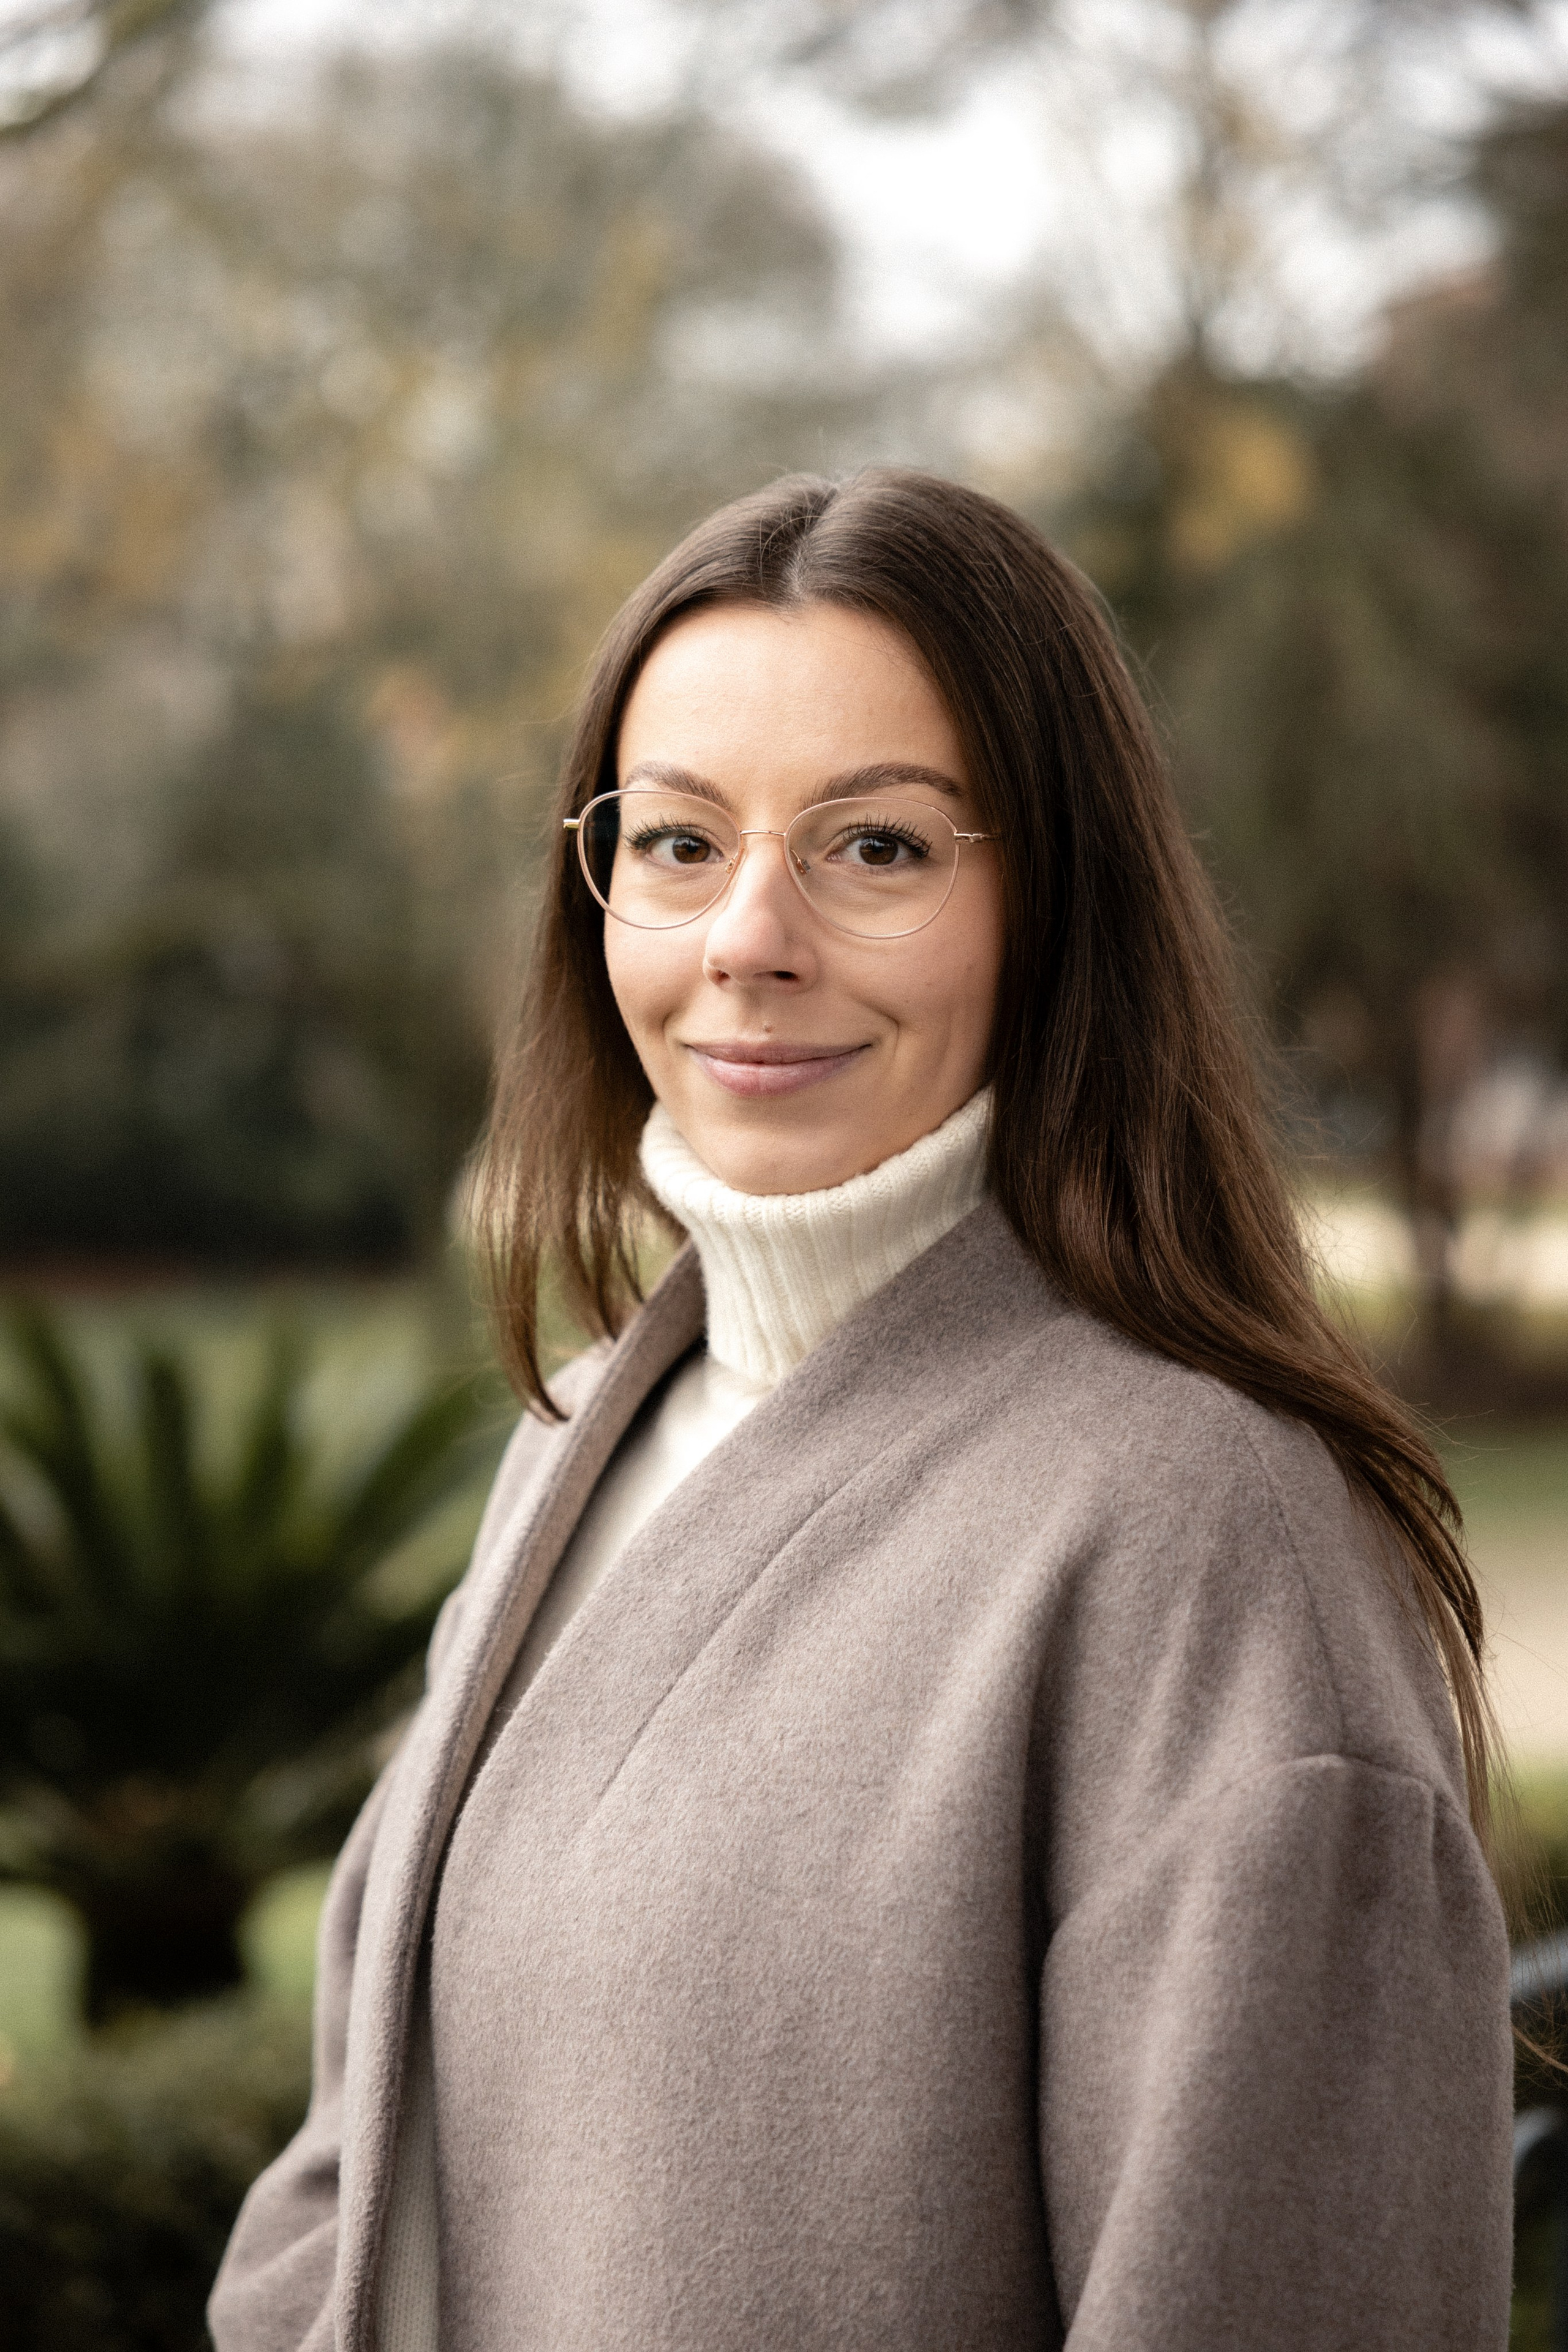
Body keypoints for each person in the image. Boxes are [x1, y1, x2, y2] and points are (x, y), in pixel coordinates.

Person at [209, 469, 1512, 2352]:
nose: (749, 934)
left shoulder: (1204, 1548)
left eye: (876, 848)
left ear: (1053, 901)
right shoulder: (585, 1429)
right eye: (675, 843)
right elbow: (370, 2134)